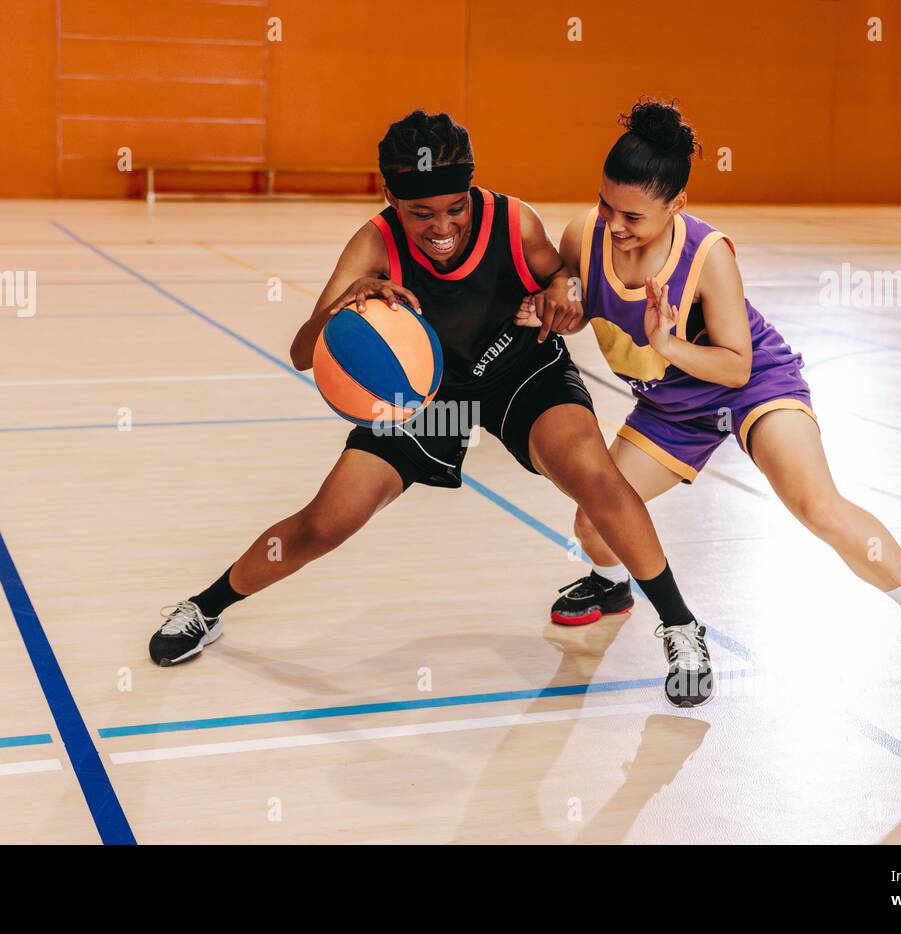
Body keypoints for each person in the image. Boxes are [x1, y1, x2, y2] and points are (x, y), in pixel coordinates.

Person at [149, 110, 716, 708]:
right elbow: (301, 352)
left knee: (595, 478)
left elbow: (565, 278)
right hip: (426, 399)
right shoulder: (374, 243)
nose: (442, 226)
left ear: (472, 192)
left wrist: (563, 292)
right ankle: (204, 608)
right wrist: (346, 302)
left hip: (519, 372)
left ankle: (681, 626)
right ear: (390, 197)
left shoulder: (511, 220)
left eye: (455, 207)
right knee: (327, 521)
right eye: (421, 213)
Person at [523, 99, 901, 701]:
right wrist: (555, 304)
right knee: (593, 521)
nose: (614, 223)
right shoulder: (583, 234)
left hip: (751, 386)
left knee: (816, 505)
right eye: (607, 204)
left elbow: (736, 366)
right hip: (670, 406)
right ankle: (611, 584)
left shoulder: (708, 255)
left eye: (633, 215)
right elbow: (581, 302)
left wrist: (666, 341)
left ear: (676, 206)